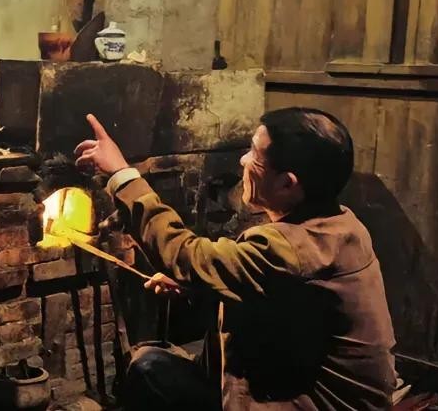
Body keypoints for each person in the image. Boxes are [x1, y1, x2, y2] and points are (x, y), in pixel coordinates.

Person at [74, 108, 396, 410]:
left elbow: (184, 255)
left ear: (287, 183)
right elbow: (278, 298)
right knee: (152, 364)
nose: (243, 160)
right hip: (297, 379)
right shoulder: (342, 223)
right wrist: (199, 286)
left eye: (255, 154)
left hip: (311, 403)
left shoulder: (292, 250)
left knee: (148, 371)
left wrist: (123, 175)